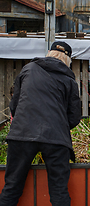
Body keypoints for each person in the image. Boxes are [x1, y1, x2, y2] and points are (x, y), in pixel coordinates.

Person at [0, 41, 81, 206]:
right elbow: (74, 117)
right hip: (56, 138)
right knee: (59, 192)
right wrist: (57, 124)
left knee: (11, 188)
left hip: (22, 134)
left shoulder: (28, 70)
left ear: (49, 53)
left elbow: (15, 106)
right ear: (68, 60)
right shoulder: (69, 79)